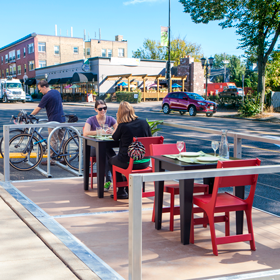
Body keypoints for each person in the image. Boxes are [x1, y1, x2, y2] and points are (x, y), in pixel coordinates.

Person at [109, 101, 152, 199]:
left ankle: (121, 190)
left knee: (111, 161)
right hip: (145, 162)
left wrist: (116, 126)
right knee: (119, 160)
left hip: (130, 163)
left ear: (120, 113)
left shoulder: (123, 126)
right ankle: (128, 187)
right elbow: (150, 138)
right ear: (132, 110)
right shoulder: (144, 122)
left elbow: (115, 138)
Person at [84, 100, 117, 191]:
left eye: (105, 108)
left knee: (105, 151)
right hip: (93, 147)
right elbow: (85, 133)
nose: (103, 110)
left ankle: (108, 180)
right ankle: (112, 177)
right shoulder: (91, 120)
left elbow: (119, 131)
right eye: (100, 109)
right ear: (95, 109)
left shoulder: (111, 119)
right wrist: (98, 132)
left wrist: (113, 132)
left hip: (105, 147)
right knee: (107, 152)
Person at [30, 80, 65, 165]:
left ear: (44, 87)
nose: (40, 91)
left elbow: (38, 108)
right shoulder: (56, 92)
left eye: (40, 89)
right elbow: (60, 104)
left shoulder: (46, 96)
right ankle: (65, 158)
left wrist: (30, 115)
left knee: (53, 140)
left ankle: (51, 160)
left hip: (53, 120)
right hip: (62, 119)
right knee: (63, 139)